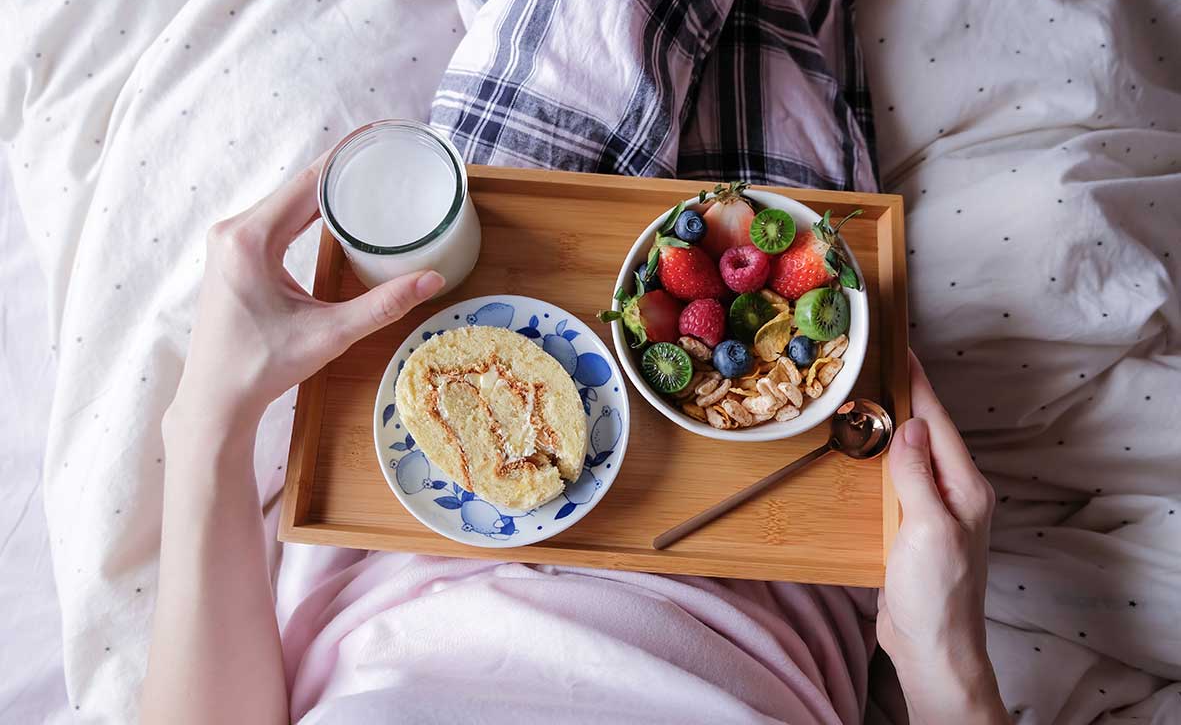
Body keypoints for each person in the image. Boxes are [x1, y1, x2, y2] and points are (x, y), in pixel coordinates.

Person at [140, 158, 1007, 724]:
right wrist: (945, 666)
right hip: (766, 550)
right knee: (783, 57)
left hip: (401, 533)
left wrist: (209, 424)